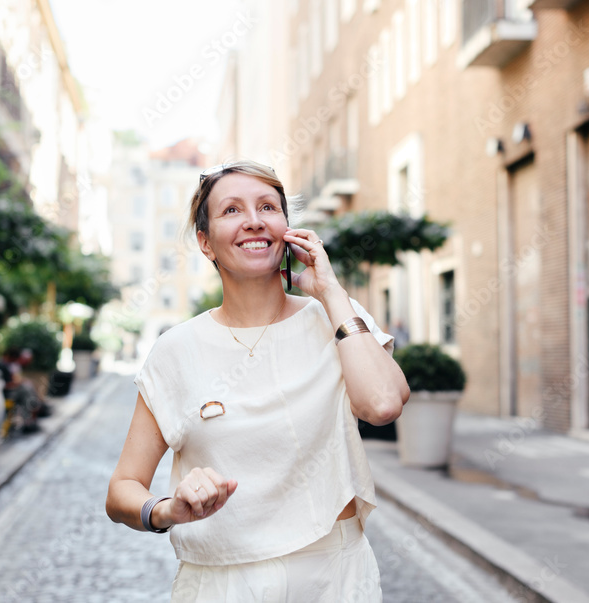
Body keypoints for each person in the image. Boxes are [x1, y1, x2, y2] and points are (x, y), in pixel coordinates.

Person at [106, 161, 409, 602]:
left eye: (267, 206)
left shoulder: (336, 320)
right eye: (231, 210)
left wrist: (331, 292)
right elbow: (121, 490)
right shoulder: (176, 350)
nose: (253, 220)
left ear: (286, 228)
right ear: (205, 242)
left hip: (333, 574)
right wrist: (168, 509)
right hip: (220, 582)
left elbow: (382, 404)